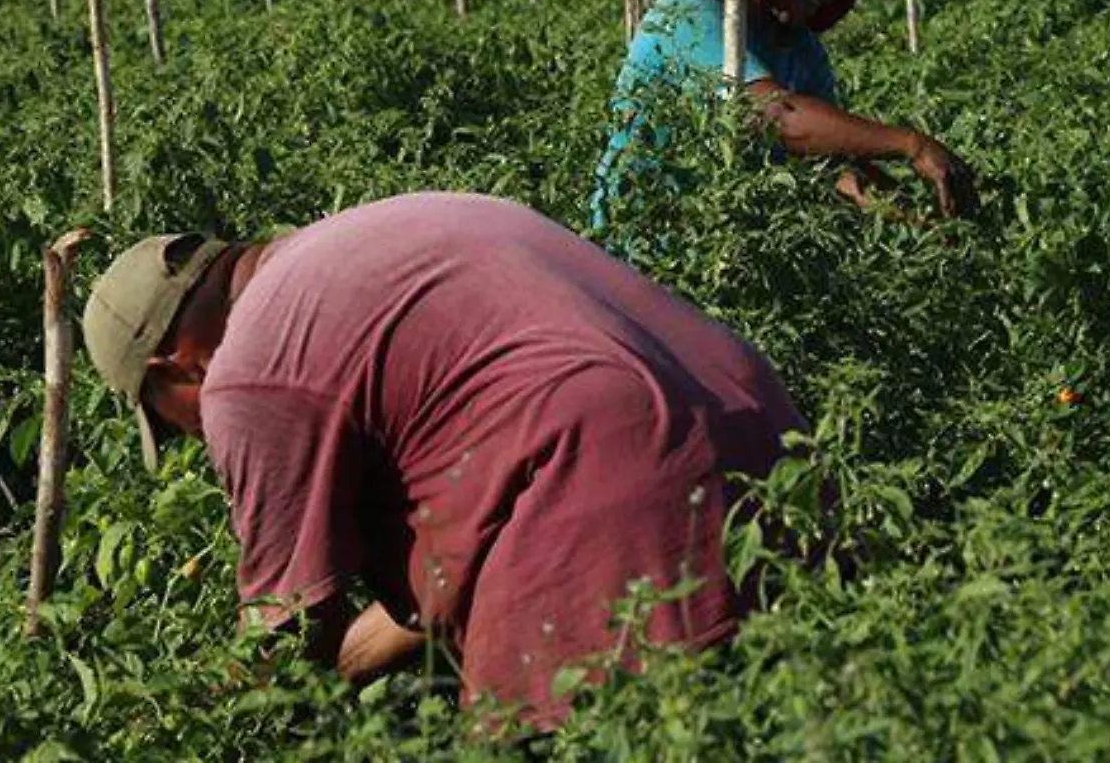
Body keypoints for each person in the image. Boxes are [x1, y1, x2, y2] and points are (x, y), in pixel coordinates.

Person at [80, 191, 807, 731]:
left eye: (170, 423)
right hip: (774, 447)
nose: (194, 439)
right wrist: (349, 658)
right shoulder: (376, 233)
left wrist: (184, 728)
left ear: (175, 364)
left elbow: (286, 628)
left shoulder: (247, 372)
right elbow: (458, 561)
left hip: (616, 493)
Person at [590, 0, 977, 236]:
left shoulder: (800, 45)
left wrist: (913, 218)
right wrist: (911, 144)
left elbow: (830, 161)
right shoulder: (692, 12)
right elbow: (777, 115)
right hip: (641, 247)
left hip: (726, 252)